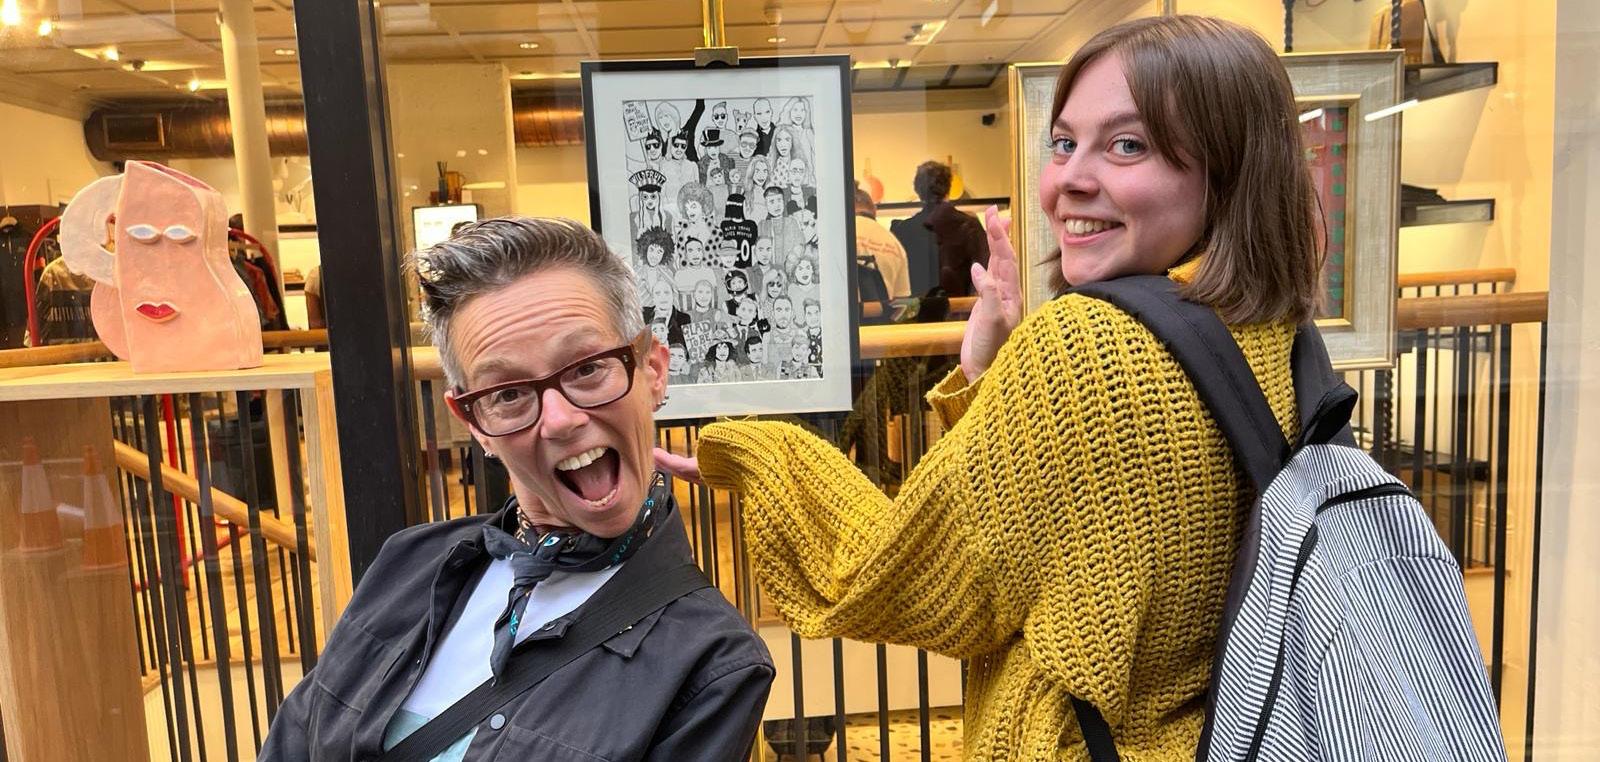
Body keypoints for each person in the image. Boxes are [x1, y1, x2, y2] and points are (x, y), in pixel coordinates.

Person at [654, 16, 1325, 760]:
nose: (1069, 180)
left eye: (1128, 145)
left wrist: (757, 451)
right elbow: (1069, 545)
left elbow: (903, 577)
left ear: (1229, 169)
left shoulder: (1088, 346)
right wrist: (989, 377)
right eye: (1064, 143)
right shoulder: (1272, 327)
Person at [261, 216, 773, 760]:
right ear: (473, 421)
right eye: (507, 394)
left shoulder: (709, 663)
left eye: (587, 369)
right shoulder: (408, 565)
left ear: (652, 370)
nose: (560, 420)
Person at [890, 160, 989, 296]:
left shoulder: (902, 230)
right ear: (949, 188)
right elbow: (985, 271)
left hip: (918, 308)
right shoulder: (970, 226)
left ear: (917, 190)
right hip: (962, 306)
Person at [852, 186, 911, 299]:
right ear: (874, 209)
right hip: (881, 309)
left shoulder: (841, 234)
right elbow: (901, 300)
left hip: (845, 307)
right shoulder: (895, 244)